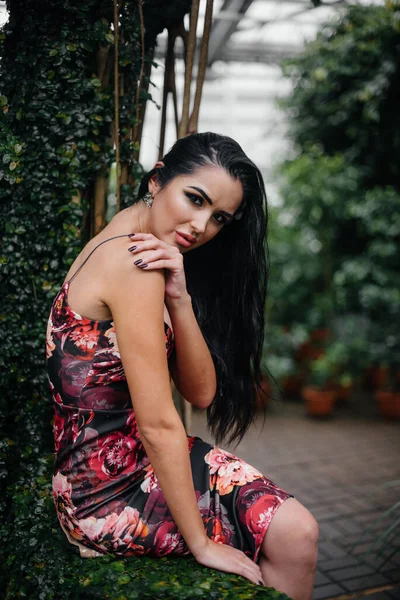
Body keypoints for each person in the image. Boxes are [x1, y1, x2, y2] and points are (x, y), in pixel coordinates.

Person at [46, 132, 319, 600]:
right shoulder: (134, 262)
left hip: (113, 470)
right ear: (157, 179)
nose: (199, 226)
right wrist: (201, 544)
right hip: (109, 492)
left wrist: (181, 298)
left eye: (218, 218)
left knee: (296, 532)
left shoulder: (136, 240)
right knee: (296, 535)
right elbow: (156, 424)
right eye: (194, 199)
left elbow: (202, 393)